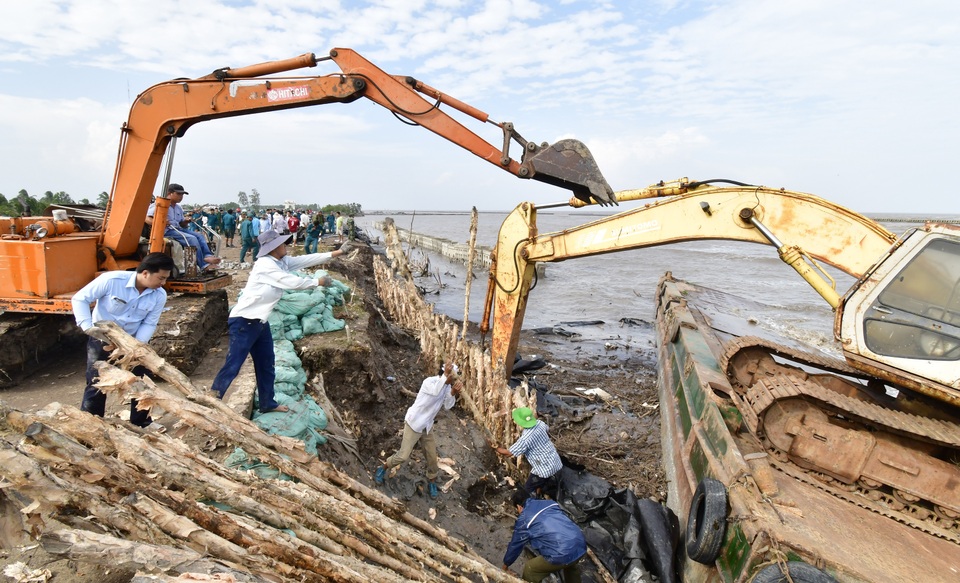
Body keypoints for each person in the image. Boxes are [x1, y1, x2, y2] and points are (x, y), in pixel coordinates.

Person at [210, 230, 352, 413]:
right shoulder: (265, 265)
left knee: (267, 363)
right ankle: (212, 400)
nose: (285, 245)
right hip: (244, 321)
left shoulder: (281, 261)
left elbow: (306, 259)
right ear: (274, 247)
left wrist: (337, 252)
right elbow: (291, 282)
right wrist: (318, 282)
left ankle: (268, 403)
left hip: (260, 321)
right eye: (282, 243)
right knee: (234, 364)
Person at [71, 253, 175, 429]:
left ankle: (142, 422)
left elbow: (149, 322)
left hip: (133, 342)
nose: (163, 283)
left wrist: (137, 347)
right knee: (97, 381)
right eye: (161, 278)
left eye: (165, 279)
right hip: (102, 338)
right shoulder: (112, 280)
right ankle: (92, 423)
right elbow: (80, 298)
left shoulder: (159, 295)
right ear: (145, 273)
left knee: (142, 380)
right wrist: (87, 326)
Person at [374, 363, 462, 499]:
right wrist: (445, 377)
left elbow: (447, 406)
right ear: (446, 374)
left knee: (432, 457)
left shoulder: (445, 387)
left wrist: (452, 393)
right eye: (453, 377)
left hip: (427, 426)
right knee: (403, 455)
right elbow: (435, 391)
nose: (454, 381)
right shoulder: (430, 382)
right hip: (414, 423)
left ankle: (431, 481)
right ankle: (383, 468)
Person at [502, 488, 587, 583]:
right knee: (570, 563)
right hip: (580, 544)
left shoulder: (524, 518)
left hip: (563, 552)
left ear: (519, 507)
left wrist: (505, 566)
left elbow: (515, 545)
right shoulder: (549, 503)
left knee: (530, 569)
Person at [145, 183, 221, 272]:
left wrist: (186, 221)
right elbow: (146, 218)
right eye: (178, 194)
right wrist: (160, 222)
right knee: (192, 239)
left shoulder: (178, 208)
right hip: (167, 231)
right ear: (170, 193)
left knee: (200, 235)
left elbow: (181, 224)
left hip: (178, 230)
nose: (181, 197)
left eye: (182, 194)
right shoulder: (160, 205)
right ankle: (204, 265)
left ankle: (207, 256)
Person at [493, 407, 563, 498]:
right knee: (541, 482)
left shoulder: (526, 439)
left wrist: (496, 447)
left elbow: (508, 453)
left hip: (544, 469)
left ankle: (533, 502)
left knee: (528, 488)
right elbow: (547, 429)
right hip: (555, 462)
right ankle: (540, 494)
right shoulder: (540, 424)